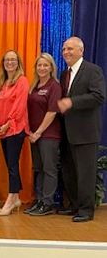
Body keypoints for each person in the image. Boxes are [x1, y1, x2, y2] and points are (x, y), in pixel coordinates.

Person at [57, 37, 106, 222]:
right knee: (70, 173)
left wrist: (72, 102)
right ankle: (75, 205)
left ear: (81, 51)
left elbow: (99, 96)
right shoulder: (64, 74)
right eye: (63, 49)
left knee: (85, 173)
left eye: (70, 48)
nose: (66, 52)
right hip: (68, 133)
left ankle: (86, 210)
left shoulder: (93, 70)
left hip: (86, 132)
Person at [0, 50, 29, 216]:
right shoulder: (2, 82)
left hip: (15, 129)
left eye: (13, 60)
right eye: (7, 59)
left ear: (18, 62)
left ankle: (11, 197)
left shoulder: (22, 81)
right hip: (3, 130)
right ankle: (15, 196)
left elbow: (20, 107)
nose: (9, 62)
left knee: (13, 165)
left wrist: (7, 124)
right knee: (10, 164)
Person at [26, 54, 62, 216]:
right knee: (38, 168)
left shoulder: (54, 86)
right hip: (34, 135)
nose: (42, 68)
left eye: (45, 65)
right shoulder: (34, 86)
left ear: (51, 68)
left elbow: (52, 111)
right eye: (39, 65)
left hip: (48, 134)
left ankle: (47, 202)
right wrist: (31, 133)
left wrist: (39, 132)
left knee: (49, 169)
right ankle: (39, 200)